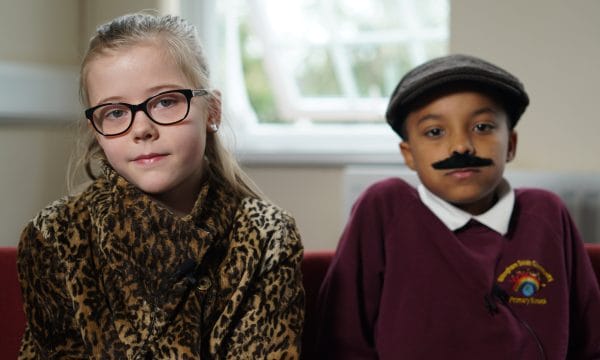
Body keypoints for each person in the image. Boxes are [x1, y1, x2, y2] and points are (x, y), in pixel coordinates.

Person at [17, 12, 304, 359]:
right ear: (96, 129)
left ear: (212, 110)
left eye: (166, 102)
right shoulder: (55, 236)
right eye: (115, 112)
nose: (141, 128)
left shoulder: (266, 236)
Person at [316, 54, 600, 359]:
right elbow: (340, 343)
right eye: (435, 132)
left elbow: (591, 342)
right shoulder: (385, 210)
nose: (461, 146)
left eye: (482, 126)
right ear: (408, 154)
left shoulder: (546, 214)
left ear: (512, 145)